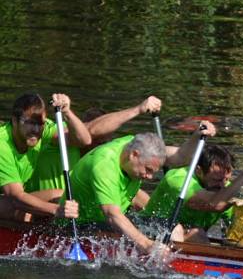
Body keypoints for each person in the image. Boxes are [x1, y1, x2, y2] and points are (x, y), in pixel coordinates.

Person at [67, 122, 216, 254]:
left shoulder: (135, 145)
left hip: (111, 220)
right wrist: (146, 244)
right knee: (149, 238)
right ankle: (166, 262)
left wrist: (197, 136)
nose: (150, 177)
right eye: (148, 169)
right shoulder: (103, 165)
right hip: (81, 225)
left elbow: (181, 156)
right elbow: (112, 215)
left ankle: (175, 260)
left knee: (172, 228)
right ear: (134, 155)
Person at [141, 144, 243, 243]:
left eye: (226, 179)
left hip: (183, 235)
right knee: (186, 232)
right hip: (149, 230)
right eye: (216, 180)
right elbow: (215, 204)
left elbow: (235, 228)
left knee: (197, 233)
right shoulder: (179, 180)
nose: (222, 185)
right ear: (199, 171)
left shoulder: (225, 189)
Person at [26, 96, 163, 192]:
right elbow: (91, 131)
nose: (104, 147)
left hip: (77, 213)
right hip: (45, 211)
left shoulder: (107, 159)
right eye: (100, 140)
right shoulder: (61, 139)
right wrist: (139, 109)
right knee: (58, 195)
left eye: (107, 141)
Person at [0, 93, 91, 221]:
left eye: (40, 124)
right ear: (14, 120)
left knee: (61, 196)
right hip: (10, 198)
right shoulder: (2, 145)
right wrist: (56, 210)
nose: (36, 130)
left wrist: (67, 112)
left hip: (8, 196)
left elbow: (84, 140)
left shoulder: (43, 128)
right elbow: (15, 197)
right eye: (30, 123)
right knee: (20, 208)